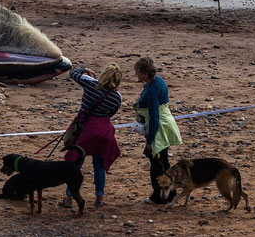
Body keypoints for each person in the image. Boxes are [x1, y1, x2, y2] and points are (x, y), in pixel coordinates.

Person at [63, 63, 122, 208]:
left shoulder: (91, 85)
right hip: (103, 132)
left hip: (85, 130)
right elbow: (111, 114)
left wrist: (85, 70)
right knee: (99, 165)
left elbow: (73, 73)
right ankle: (99, 198)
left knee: (75, 163)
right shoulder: (117, 97)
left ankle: (69, 198)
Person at [133, 57, 182, 204]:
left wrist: (150, 139)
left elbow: (154, 117)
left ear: (144, 72)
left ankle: (159, 196)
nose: (136, 75)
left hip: (159, 127)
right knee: (164, 160)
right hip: (164, 123)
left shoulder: (152, 89)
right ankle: (170, 194)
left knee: (157, 163)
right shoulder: (157, 81)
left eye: (137, 72)